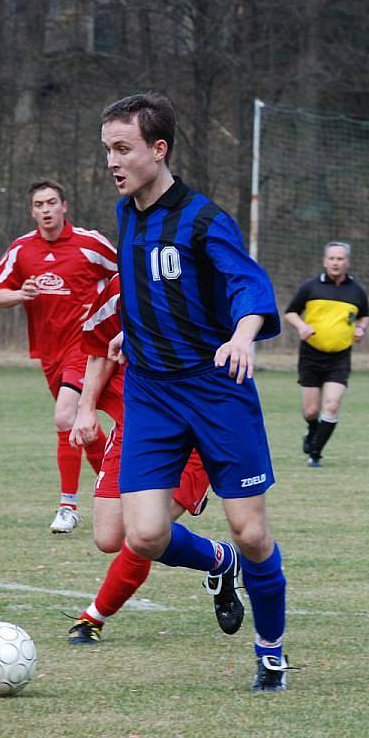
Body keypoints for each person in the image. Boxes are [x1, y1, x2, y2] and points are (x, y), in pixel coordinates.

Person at [100, 93, 289, 692]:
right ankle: (218, 564)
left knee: (252, 532)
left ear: (159, 150)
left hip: (215, 388)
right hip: (152, 393)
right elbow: (147, 285)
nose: (112, 160)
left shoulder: (205, 220)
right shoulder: (127, 210)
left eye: (122, 148)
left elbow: (246, 285)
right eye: (107, 149)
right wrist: (131, 333)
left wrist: (243, 335)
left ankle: (271, 650)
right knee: (145, 534)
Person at [67, 273, 229, 645]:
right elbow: (99, 348)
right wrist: (86, 408)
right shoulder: (121, 283)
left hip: (194, 430)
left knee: (143, 533)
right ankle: (219, 558)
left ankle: (93, 618)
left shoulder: (202, 280)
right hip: (135, 426)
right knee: (109, 536)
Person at [0, 179, 117, 533]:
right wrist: (21, 294)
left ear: (64, 206)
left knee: (64, 416)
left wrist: (111, 320)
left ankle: (68, 507)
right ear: (32, 211)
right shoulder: (21, 249)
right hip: (48, 352)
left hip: (85, 346)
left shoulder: (90, 244)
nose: (45, 209)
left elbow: (124, 278)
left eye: (51, 202)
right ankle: (117, 491)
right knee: (80, 428)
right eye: (39, 204)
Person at [285, 241, 368, 468]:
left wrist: (361, 328)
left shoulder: (357, 291)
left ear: (347, 262)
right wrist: (302, 326)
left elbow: (363, 316)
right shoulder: (310, 287)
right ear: (324, 261)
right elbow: (290, 312)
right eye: (331, 258)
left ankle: (315, 453)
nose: (335, 262)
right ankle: (312, 431)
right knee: (311, 410)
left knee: (331, 404)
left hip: (340, 357)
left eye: (340, 259)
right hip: (311, 355)